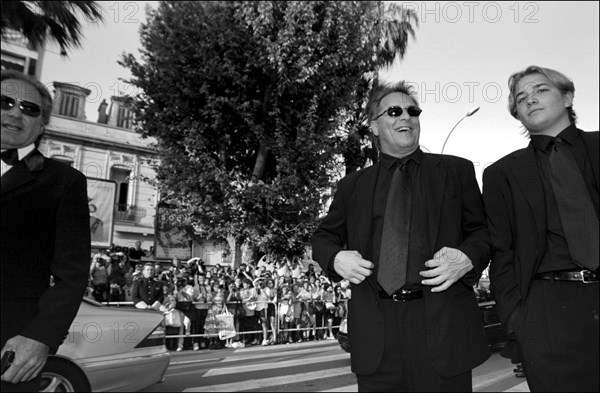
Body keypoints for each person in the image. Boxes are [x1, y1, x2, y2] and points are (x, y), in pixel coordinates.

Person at [311, 81, 491, 391]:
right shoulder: (353, 186)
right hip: (376, 335)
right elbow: (323, 238)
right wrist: (336, 257)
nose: (405, 117)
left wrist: (467, 257)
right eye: (394, 111)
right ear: (375, 126)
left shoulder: (456, 171)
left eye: (413, 111)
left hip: (442, 328)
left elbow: (485, 232)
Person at [483, 66, 599, 392]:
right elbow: (501, 254)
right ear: (516, 114)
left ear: (568, 96)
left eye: (540, 90)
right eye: (521, 98)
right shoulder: (500, 175)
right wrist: (519, 322)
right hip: (548, 312)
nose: (530, 99)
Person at [1, 70, 91, 392]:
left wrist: (40, 337)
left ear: (42, 125)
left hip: (9, 354)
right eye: (5, 102)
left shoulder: (63, 183)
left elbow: (73, 274)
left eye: (29, 108)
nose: (15, 112)